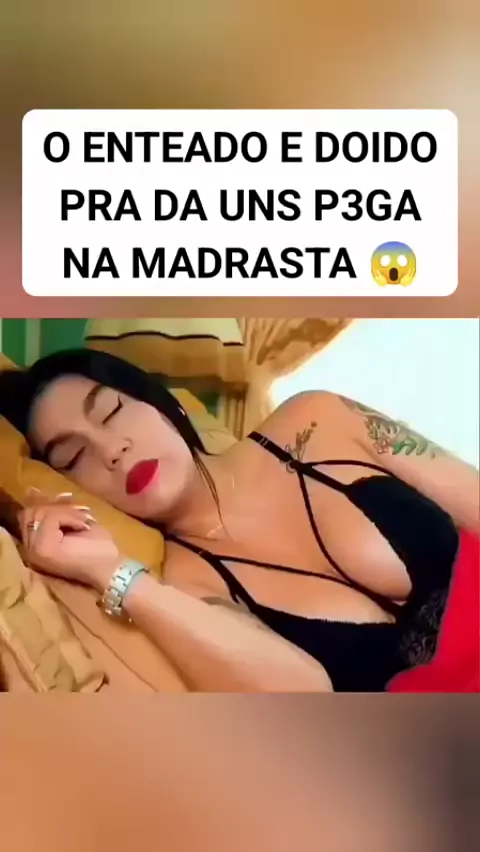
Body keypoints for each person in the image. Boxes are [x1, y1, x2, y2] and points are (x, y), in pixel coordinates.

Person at [0, 349, 478, 693]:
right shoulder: (189, 588)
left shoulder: (317, 420)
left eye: (111, 411)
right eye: (74, 456)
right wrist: (109, 572)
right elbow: (302, 694)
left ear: (161, 402)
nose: (110, 450)